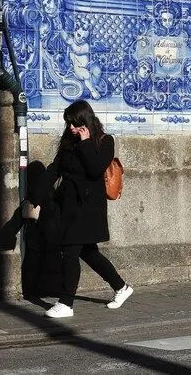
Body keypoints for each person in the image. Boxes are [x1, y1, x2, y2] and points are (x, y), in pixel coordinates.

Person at [43, 100, 134, 318]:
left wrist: (85, 143)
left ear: (85, 121)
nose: (71, 128)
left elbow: (95, 168)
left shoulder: (105, 141)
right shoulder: (69, 142)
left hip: (88, 210)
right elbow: (55, 169)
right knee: (89, 253)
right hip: (69, 207)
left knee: (70, 252)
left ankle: (66, 303)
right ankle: (121, 287)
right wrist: (36, 196)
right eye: (68, 124)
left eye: (74, 124)